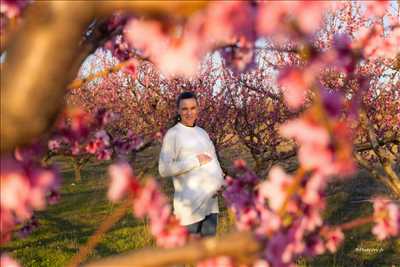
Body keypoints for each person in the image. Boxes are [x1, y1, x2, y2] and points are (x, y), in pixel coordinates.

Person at [158, 91, 224, 237]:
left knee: (208, 255)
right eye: (185, 109)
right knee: (186, 256)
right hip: (189, 209)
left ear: (198, 109)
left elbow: (214, 160)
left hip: (211, 204)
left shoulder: (202, 133)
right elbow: (164, 170)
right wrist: (195, 161)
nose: (189, 113)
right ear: (178, 111)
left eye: (193, 108)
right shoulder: (173, 134)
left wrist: (221, 182)